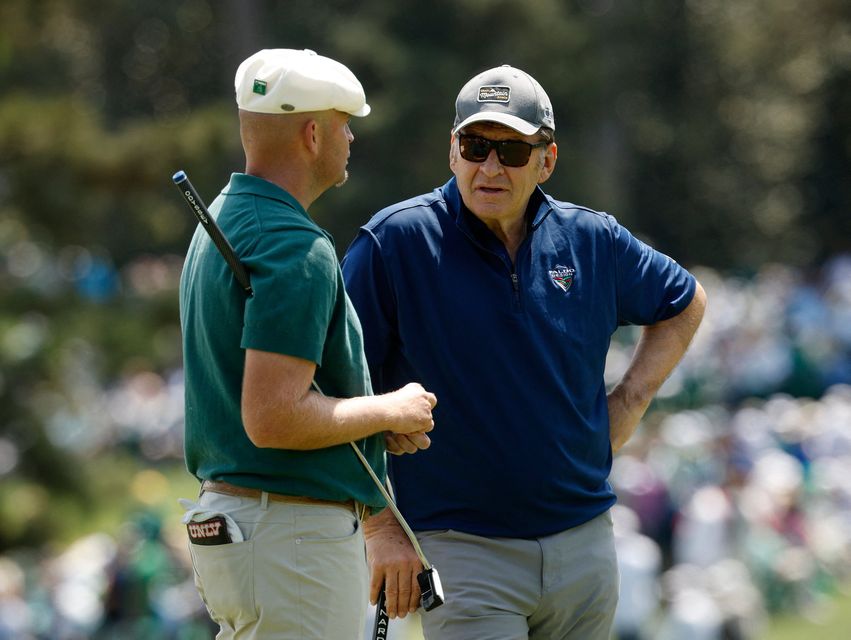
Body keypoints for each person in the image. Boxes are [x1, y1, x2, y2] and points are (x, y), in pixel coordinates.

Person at [341, 64, 707, 639]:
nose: (490, 166)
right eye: (476, 145)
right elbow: (340, 386)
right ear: (452, 152)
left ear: (547, 160)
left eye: (512, 151)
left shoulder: (592, 239)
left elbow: (685, 301)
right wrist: (381, 529)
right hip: (460, 549)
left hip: (583, 542)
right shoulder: (394, 243)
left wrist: (630, 402)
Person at [178, 48, 437, 640]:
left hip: (247, 530)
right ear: (313, 133)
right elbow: (273, 417)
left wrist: (365, 424)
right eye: (346, 125)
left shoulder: (223, 218)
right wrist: (389, 408)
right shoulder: (293, 244)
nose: (351, 139)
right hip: (288, 538)